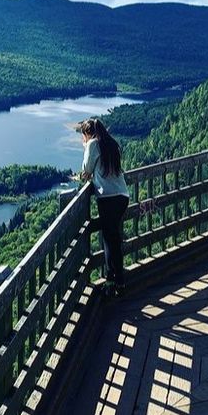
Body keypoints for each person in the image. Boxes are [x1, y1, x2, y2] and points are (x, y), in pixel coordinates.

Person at [77, 118, 130, 296]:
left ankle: (112, 280)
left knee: (109, 240)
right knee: (113, 239)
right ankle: (118, 280)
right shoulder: (111, 144)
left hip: (107, 197)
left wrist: (85, 147)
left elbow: (86, 171)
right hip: (122, 196)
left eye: (84, 135)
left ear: (87, 133)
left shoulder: (92, 144)